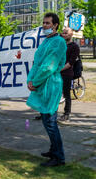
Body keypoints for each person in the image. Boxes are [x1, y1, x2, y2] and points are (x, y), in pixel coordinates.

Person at [26, 12, 67, 167]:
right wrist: (30, 80)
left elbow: (48, 66)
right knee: (47, 120)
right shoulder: (45, 42)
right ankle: (53, 150)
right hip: (41, 84)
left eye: (48, 23)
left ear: (55, 25)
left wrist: (35, 81)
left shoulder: (58, 42)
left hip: (50, 84)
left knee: (50, 122)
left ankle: (58, 157)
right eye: (43, 23)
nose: (44, 26)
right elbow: (36, 63)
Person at [59, 27, 80, 122]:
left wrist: (59, 69)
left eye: (66, 33)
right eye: (63, 33)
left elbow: (70, 63)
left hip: (67, 74)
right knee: (53, 93)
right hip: (56, 72)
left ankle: (66, 114)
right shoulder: (60, 44)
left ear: (71, 34)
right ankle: (47, 113)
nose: (64, 34)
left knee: (66, 94)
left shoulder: (74, 46)